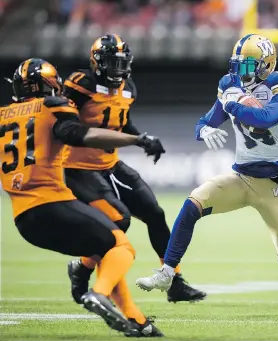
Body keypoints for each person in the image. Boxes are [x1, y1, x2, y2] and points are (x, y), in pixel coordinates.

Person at [136, 34, 278, 317]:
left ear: (266, 65)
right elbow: (205, 121)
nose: (239, 72)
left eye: (247, 66)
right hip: (241, 177)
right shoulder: (230, 84)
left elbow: (266, 118)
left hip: (273, 186)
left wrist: (234, 103)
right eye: (238, 65)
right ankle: (167, 272)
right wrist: (205, 130)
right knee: (192, 203)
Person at [0, 58, 164, 336]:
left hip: (23, 219)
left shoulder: (3, 114)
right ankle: (98, 293)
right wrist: (134, 140)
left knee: (104, 249)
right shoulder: (51, 106)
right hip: (53, 204)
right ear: (52, 85)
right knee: (122, 247)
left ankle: (136, 321)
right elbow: (76, 133)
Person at [62, 34, 206, 304]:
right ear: (96, 62)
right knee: (119, 221)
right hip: (78, 167)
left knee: (154, 213)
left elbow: (121, 123)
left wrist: (143, 140)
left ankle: (173, 281)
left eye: (121, 63)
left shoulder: (128, 88)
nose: (117, 69)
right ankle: (82, 269)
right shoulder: (81, 84)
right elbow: (65, 124)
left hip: (111, 164)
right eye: (111, 63)